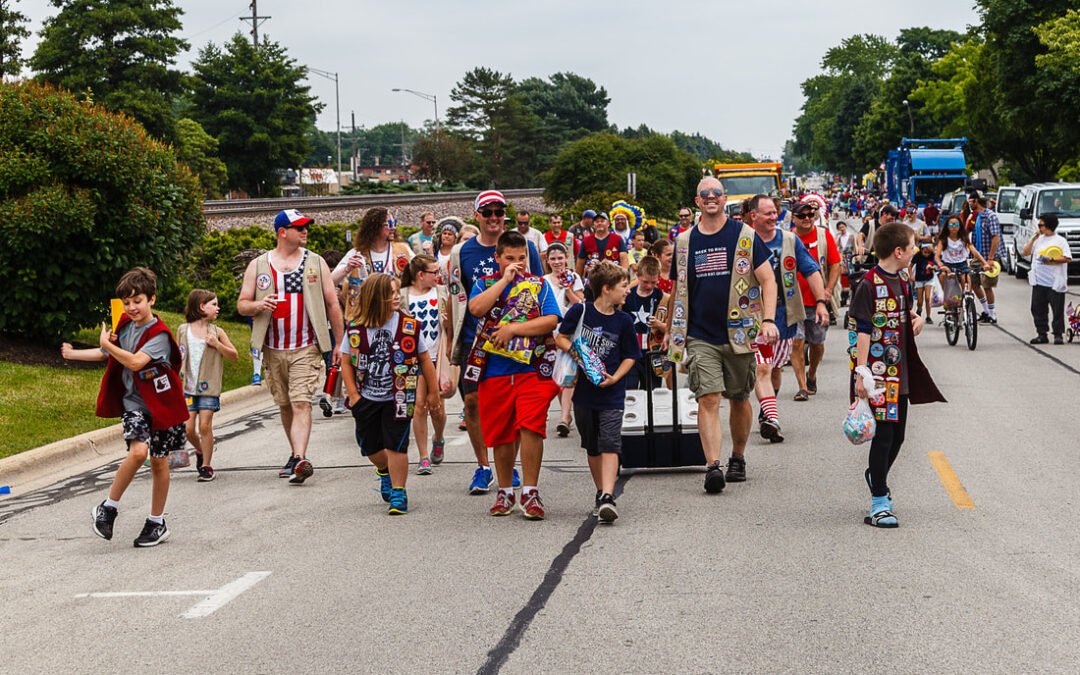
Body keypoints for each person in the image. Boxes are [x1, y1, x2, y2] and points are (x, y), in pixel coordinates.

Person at [665, 177, 779, 493]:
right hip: (700, 335)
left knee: (740, 397)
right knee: (709, 397)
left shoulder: (744, 235)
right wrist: (670, 328)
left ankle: (738, 456)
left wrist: (768, 320)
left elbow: (768, 280)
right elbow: (678, 287)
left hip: (740, 333)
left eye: (716, 193)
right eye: (705, 194)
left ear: (724, 198)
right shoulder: (684, 241)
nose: (711, 197)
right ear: (697, 201)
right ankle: (713, 466)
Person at [62, 268, 188, 547]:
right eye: (126, 302)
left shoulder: (159, 335)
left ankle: (156, 522)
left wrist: (107, 343)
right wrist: (73, 354)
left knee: (159, 461)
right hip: (135, 404)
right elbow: (107, 354)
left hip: (162, 407)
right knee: (139, 451)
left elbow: (133, 362)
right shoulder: (125, 326)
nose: (131, 307)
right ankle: (108, 508)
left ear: (152, 299)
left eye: (137, 301)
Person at [237, 209, 345, 484]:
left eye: (306, 226)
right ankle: (294, 454)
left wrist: (339, 343)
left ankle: (299, 457)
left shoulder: (315, 262)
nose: (305, 231)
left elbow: (333, 304)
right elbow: (242, 304)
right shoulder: (259, 265)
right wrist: (259, 305)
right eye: (299, 227)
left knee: (301, 402)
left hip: (305, 346)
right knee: (285, 404)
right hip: (272, 348)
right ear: (282, 232)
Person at [849, 222, 945, 528]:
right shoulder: (868, 283)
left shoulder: (903, 280)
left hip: (900, 372)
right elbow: (862, 330)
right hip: (877, 375)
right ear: (899, 251)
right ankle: (880, 501)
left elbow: (906, 312)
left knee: (899, 436)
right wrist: (861, 372)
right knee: (885, 435)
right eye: (913, 246)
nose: (916, 250)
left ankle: (875, 475)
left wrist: (916, 320)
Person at [447, 190, 543, 494]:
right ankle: (483, 465)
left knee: (511, 407)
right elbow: (455, 300)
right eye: (487, 212)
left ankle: (507, 465)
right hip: (474, 339)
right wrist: (450, 349)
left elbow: (538, 290)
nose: (493, 218)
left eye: (498, 212)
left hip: (515, 342)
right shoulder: (461, 253)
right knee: (473, 403)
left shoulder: (524, 247)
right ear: (476, 215)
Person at [467, 230, 562, 519]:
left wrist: (513, 329)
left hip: (530, 369)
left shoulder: (537, 285)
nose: (517, 263)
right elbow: (476, 309)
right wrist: (505, 281)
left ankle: (530, 492)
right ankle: (505, 491)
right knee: (502, 433)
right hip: (494, 370)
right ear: (497, 258)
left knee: (532, 427)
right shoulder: (484, 283)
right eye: (510, 258)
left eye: (522, 258)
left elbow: (551, 320)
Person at [340, 273, 440, 515]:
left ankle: (398, 492)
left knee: (397, 445)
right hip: (366, 398)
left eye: (397, 292)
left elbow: (424, 359)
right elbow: (345, 362)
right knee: (370, 447)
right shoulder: (356, 328)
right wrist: (354, 396)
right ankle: (384, 470)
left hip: (399, 396)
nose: (396, 297)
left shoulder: (408, 325)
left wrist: (433, 392)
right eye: (391, 293)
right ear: (376, 297)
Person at [556, 262, 640, 523]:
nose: (627, 291)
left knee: (610, 442)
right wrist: (577, 353)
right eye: (623, 286)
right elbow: (561, 336)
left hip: (611, 392)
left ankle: (607, 495)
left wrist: (616, 377)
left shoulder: (624, 320)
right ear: (606, 288)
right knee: (592, 446)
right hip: (583, 391)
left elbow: (630, 355)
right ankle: (600, 491)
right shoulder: (581, 311)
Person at [746, 196, 828, 452]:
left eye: (775, 213)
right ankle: (771, 417)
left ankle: (766, 410)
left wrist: (821, 302)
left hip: (783, 316)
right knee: (763, 368)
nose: (773, 217)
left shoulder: (789, 241)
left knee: (773, 369)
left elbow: (811, 270)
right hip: (749, 317)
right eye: (768, 213)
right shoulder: (741, 241)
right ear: (753, 216)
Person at [177, 289, 238, 482]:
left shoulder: (217, 332)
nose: (218, 308)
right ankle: (201, 449)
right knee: (188, 429)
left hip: (208, 387)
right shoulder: (182, 330)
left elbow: (234, 356)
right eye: (214, 304)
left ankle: (206, 466)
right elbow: (178, 357)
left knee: (205, 425)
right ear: (202, 306)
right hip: (187, 387)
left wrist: (217, 345)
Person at [400, 255, 453, 472]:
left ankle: (438, 438)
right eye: (435, 272)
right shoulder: (403, 295)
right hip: (414, 358)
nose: (438, 276)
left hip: (437, 358)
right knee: (418, 406)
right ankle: (423, 456)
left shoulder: (441, 293)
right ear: (421, 275)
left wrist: (449, 355)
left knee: (437, 408)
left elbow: (448, 326)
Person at [789, 200, 841, 401]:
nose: (807, 219)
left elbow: (835, 264)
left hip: (817, 301)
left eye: (810, 215)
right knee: (796, 343)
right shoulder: (788, 239)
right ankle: (802, 386)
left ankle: (812, 374)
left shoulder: (823, 235)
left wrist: (827, 290)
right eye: (801, 216)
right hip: (794, 301)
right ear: (793, 218)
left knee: (817, 344)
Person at [544, 242, 585, 437]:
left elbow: (581, 304)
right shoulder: (542, 281)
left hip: (569, 332)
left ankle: (564, 416)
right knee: (557, 376)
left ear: (566, 259)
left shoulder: (574, 277)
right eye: (553, 258)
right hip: (550, 333)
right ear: (548, 261)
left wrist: (567, 288)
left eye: (560, 258)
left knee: (568, 375)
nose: (557, 262)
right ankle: (566, 415)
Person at [1021, 214, 1073, 344]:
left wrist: (1052, 259)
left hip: (1055, 281)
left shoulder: (1060, 241)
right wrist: (1034, 238)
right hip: (1039, 281)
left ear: (1048, 226)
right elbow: (1025, 252)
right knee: (1037, 308)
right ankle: (1041, 333)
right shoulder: (1039, 240)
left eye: (1041, 225)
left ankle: (1058, 334)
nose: (1039, 228)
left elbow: (1067, 258)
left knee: (1057, 310)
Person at [620, 255, 669, 391]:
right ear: (637, 275)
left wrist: (659, 325)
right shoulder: (626, 296)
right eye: (645, 282)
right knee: (630, 391)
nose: (649, 286)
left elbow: (674, 329)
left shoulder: (663, 298)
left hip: (653, 352)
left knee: (652, 391)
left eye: (654, 282)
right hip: (631, 352)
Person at [970, 196, 1003, 324]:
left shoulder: (990, 216)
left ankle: (992, 314)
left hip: (988, 256)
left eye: (971, 201)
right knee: (974, 283)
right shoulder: (978, 216)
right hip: (978, 256)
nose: (969, 204)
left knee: (987, 286)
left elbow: (996, 237)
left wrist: (990, 258)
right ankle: (986, 311)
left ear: (976, 201)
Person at [577, 212, 629, 280]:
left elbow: (624, 259)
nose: (599, 223)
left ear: (608, 224)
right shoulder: (587, 240)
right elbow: (580, 262)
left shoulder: (617, 239)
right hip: (593, 280)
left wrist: (624, 278)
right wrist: (578, 281)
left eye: (602, 221)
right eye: (597, 221)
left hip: (613, 279)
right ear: (593, 224)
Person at [911, 244, 937, 324]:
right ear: (921, 250)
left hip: (929, 278)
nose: (927, 254)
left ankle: (928, 317)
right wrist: (911, 275)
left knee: (927, 298)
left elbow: (936, 265)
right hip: (919, 279)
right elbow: (910, 265)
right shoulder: (917, 255)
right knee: (919, 301)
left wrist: (933, 267)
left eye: (928, 253)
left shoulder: (932, 255)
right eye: (925, 252)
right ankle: (919, 310)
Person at [435, 217, 463, 283]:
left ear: (455, 238)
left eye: (450, 234)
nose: (446, 236)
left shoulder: (458, 253)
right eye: (444, 233)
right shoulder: (434, 252)